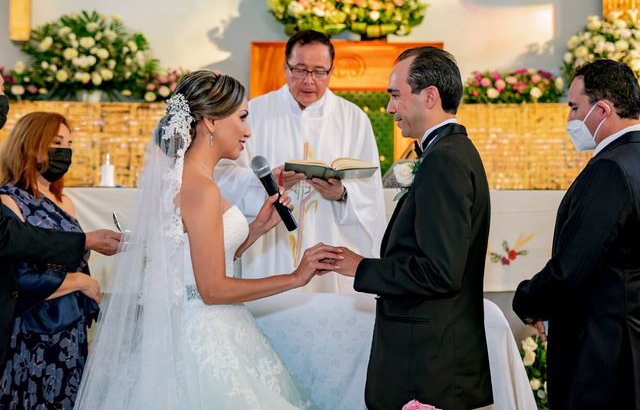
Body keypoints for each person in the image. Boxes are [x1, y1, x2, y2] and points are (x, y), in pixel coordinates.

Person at [75, 71, 342, 409]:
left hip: (195, 323)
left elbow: (194, 258)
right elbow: (212, 289)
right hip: (203, 335)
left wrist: (257, 227)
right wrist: (295, 277)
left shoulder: (186, 179)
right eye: (242, 117)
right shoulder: (201, 189)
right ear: (211, 121)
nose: (248, 131)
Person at [329, 47, 493, 410]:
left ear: (429, 96)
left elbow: (440, 271)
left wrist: (361, 268)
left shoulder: (445, 161)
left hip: (427, 363)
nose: (389, 108)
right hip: (434, 354)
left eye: (395, 95)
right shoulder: (449, 152)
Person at [513, 59, 640, 409]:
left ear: (602, 109)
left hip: (601, 354)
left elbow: (571, 268)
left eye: (573, 107)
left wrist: (527, 300)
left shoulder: (610, 170)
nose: (569, 119)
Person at [216, 30, 386, 292]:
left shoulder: (353, 119)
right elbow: (223, 173)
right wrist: (265, 182)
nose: (309, 81)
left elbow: (371, 190)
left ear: (331, 71)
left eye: (319, 72)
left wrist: (341, 193)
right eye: (300, 70)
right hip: (270, 250)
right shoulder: (255, 112)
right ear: (285, 67)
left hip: (329, 241)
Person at [0, 74, 120, 367]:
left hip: (71, 326)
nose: (65, 150)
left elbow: (74, 256)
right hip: (32, 329)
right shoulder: (8, 199)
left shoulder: (65, 201)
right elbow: (19, 274)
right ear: (31, 144)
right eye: (56, 142)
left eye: (69, 143)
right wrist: (78, 281)